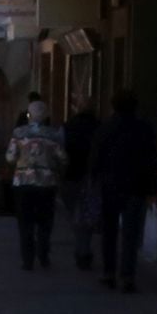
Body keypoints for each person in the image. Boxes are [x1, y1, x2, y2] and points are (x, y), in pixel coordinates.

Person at [89, 90, 157, 293]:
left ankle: (109, 273)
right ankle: (127, 276)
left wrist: (94, 180)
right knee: (131, 234)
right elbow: (152, 161)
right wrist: (152, 190)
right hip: (136, 188)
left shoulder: (106, 128)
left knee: (109, 232)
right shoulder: (144, 129)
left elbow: (96, 158)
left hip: (110, 187)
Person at [5, 94, 67, 271]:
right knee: (45, 221)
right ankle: (44, 255)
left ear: (29, 115)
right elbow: (63, 158)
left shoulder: (19, 133)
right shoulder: (53, 134)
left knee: (25, 222)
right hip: (47, 184)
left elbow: (10, 157)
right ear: (46, 115)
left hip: (23, 184)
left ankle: (27, 259)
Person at [62, 97, 100, 270]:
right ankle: (83, 249)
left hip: (72, 176)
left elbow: (61, 152)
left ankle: (81, 250)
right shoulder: (99, 127)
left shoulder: (69, 126)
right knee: (88, 215)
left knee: (75, 216)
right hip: (92, 177)